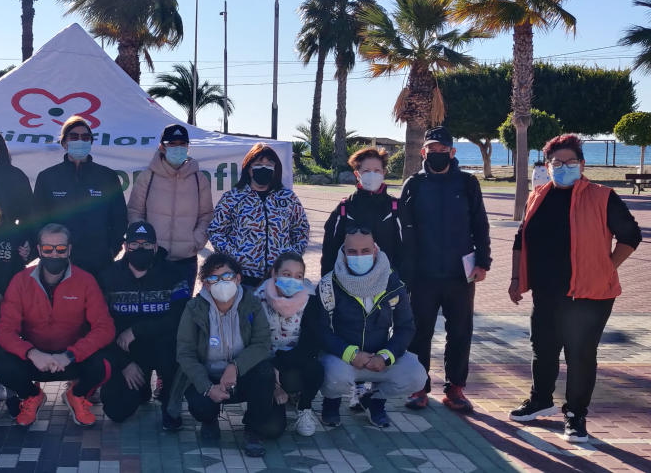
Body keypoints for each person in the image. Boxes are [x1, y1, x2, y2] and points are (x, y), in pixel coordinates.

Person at [507, 134, 640, 443]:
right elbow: (520, 238)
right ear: (547, 166)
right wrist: (515, 279)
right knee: (543, 348)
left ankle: (575, 414)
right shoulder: (537, 196)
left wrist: (606, 267)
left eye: (570, 162)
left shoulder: (602, 196)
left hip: (588, 295)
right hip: (545, 291)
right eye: (556, 163)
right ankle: (541, 400)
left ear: (582, 164)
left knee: (579, 354)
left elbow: (631, 236)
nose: (563, 167)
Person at [400, 126, 490, 412]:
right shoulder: (413, 184)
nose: (437, 154)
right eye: (432, 150)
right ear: (423, 152)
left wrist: (483, 262)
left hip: (460, 274)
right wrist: (405, 271)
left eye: (442, 150)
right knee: (419, 332)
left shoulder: (467, 183)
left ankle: (455, 388)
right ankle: (418, 386)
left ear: (452, 152)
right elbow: (403, 229)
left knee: (460, 331)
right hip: (423, 275)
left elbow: (480, 225)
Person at [0, 223, 116, 428]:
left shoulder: (85, 280)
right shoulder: (20, 281)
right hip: (35, 359)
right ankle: (32, 395)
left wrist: (71, 354)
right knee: (1, 364)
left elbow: (105, 327)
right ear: (39, 249)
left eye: (60, 249)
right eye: (48, 249)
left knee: (105, 365)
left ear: (69, 249)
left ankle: (77, 394)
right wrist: (31, 353)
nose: (54, 254)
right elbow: (5, 329)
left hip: (71, 357)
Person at [168, 252, 278, 458]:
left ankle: (253, 428)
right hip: (208, 375)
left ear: (238, 278)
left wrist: (235, 367)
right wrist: (207, 387)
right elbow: (185, 353)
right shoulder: (194, 308)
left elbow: (262, 344)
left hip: (242, 375)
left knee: (265, 372)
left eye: (227, 276)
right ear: (206, 284)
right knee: (201, 407)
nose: (221, 283)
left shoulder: (251, 303)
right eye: (213, 278)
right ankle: (210, 420)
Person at [317, 227, 426, 429]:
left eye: (365, 251)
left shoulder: (393, 284)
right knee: (332, 375)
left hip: (380, 359)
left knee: (417, 376)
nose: (359, 257)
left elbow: (406, 327)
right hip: (342, 358)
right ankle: (331, 404)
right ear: (343, 253)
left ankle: (374, 401)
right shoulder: (328, 285)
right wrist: (351, 354)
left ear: (375, 251)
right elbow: (321, 330)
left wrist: (385, 356)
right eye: (352, 252)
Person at [98, 221, 190, 429]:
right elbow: (100, 324)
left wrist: (138, 330)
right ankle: (142, 387)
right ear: (125, 247)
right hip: (126, 350)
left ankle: (170, 402)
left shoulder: (173, 273)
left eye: (147, 244)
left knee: (175, 352)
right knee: (116, 410)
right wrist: (123, 363)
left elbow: (181, 316)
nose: (141, 249)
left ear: (155, 246)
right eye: (135, 245)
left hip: (164, 346)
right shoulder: (109, 276)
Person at [32, 116, 128, 275]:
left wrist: (111, 249)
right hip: (59, 262)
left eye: (85, 137)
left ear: (91, 142)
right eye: (74, 137)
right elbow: (37, 220)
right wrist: (49, 252)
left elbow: (120, 218)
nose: (80, 141)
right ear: (64, 143)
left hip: (99, 263)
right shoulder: (47, 177)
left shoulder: (107, 176)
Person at [208, 143, 310, 290]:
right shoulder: (232, 198)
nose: (264, 168)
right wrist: (235, 257)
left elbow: (301, 230)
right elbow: (216, 231)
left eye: (269, 165)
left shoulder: (288, 198)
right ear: (249, 169)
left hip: (280, 280)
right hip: (243, 279)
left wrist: (290, 258)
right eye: (258, 164)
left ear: (275, 169)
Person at [127, 124, 214, 290]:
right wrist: (145, 242)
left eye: (182, 144)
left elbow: (206, 214)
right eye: (172, 144)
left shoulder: (199, 179)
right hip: (153, 259)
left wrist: (196, 241)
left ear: (188, 147)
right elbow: (135, 212)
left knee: (182, 305)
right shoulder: (147, 177)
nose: (178, 148)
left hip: (186, 261)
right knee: (153, 304)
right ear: (162, 147)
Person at [253, 252, 324, 437]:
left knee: (316, 368)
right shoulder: (256, 300)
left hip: (292, 362)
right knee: (271, 429)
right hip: (262, 366)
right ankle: (268, 399)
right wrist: (273, 382)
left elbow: (312, 344)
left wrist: (279, 363)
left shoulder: (310, 300)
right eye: (286, 274)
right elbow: (251, 342)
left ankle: (304, 407)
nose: (292, 280)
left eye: (298, 276)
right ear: (274, 274)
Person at [321, 147, 413, 279]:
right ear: (357, 174)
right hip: (349, 284)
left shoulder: (396, 208)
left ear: (384, 173)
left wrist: (402, 285)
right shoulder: (344, 208)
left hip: (387, 284)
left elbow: (407, 252)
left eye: (376, 170)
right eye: (366, 171)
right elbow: (329, 252)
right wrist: (328, 285)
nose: (372, 175)